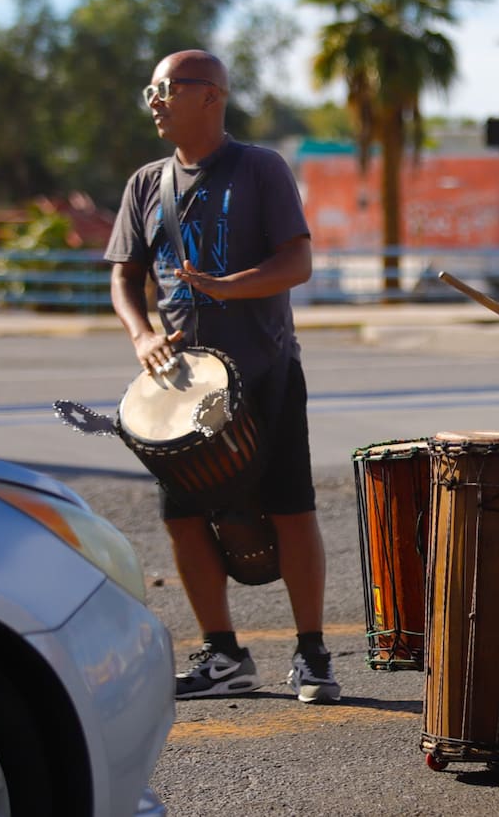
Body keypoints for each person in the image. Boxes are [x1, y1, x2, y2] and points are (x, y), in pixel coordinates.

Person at [106, 49, 340, 704]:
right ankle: (223, 653)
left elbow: (297, 261)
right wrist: (143, 334)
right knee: (183, 520)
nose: (154, 99)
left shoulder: (259, 168)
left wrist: (233, 288)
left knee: (291, 510)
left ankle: (313, 653)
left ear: (211, 96)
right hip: (181, 385)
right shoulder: (146, 183)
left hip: (264, 371)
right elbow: (124, 276)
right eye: (149, 88)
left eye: (168, 87)